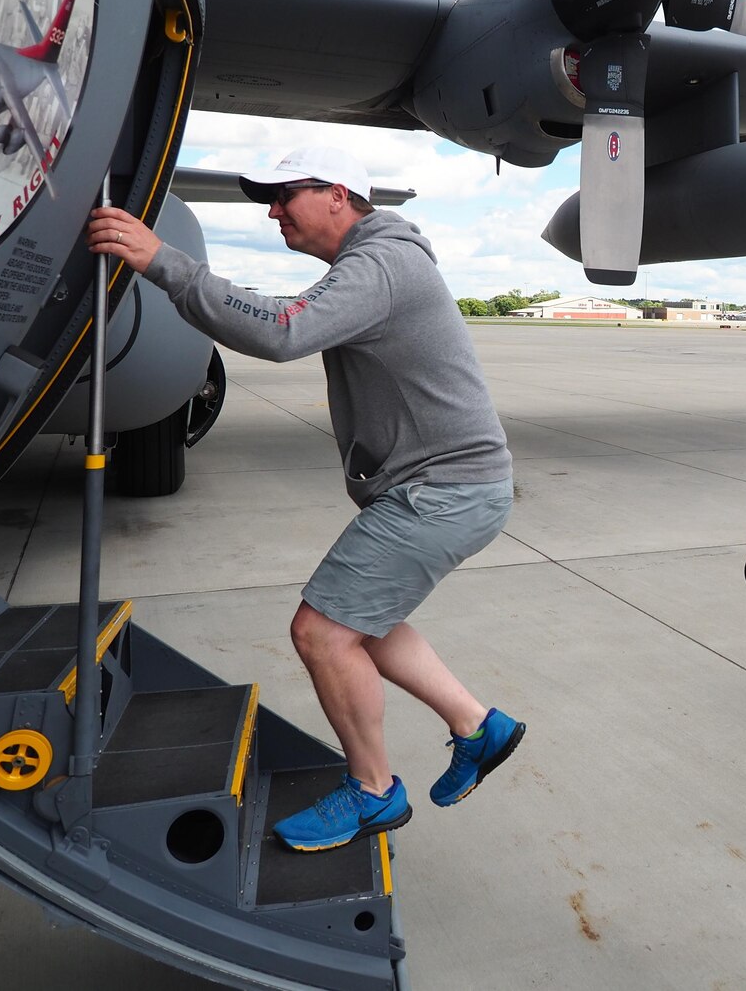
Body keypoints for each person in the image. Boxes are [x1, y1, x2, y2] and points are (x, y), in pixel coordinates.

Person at [87, 146, 521, 852]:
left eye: (285, 193)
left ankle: (375, 791)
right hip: (451, 488)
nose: (273, 209)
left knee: (321, 632)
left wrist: (164, 260)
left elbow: (283, 329)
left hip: (443, 491)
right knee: (363, 622)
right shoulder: (376, 260)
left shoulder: (382, 263)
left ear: (338, 195)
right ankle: (479, 726)